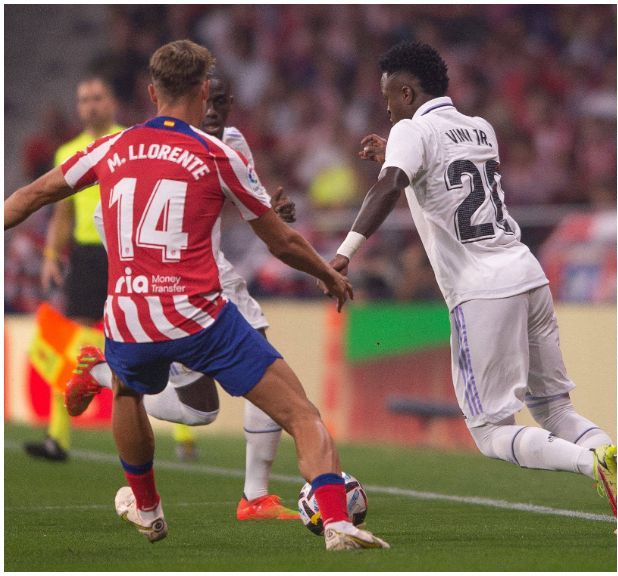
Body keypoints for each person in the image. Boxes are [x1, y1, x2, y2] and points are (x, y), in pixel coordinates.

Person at [5, 40, 388, 551]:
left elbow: (32, 196)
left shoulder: (110, 147)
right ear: (204, 90)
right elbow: (281, 241)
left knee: (128, 393)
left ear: (150, 91)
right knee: (301, 414)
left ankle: (147, 509)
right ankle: (337, 522)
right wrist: (328, 274)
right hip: (200, 316)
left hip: (130, 317)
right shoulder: (216, 152)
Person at [331, 41, 617, 516]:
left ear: (406, 92)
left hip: (481, 289)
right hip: (528, 273)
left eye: (387, 97)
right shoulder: (480, 128)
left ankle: (594, 465)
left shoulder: (410, 129)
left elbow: (389, 186)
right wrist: (394, 153)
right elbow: (442, 174)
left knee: (488, 431)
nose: (385, 107)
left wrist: (344, 253)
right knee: (556, 409)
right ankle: (609, 457)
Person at [65, 74, 301, 521]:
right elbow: (104, 215)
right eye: (205, 101)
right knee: (263, 361)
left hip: (205, 267)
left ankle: (101, 373)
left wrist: (276, 212)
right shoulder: (152, 142)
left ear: (230, 105)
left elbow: (251, 200)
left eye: (220, 103)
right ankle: (254, 497)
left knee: (199, 410)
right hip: (174, 280)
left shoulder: (231, 143)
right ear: (192, 98)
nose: (211, 111)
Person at [24, 76, 124, 462]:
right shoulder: (68, 149)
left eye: (97, 98)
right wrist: (50, 256)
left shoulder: (129, 141)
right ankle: (58, 438)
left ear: (112, 101)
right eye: (84, 100)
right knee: (73, 344)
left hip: (124, 251)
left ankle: (182, 436)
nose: (90, 106)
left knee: (141, 339)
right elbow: (62, 211)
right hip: (85, 256)